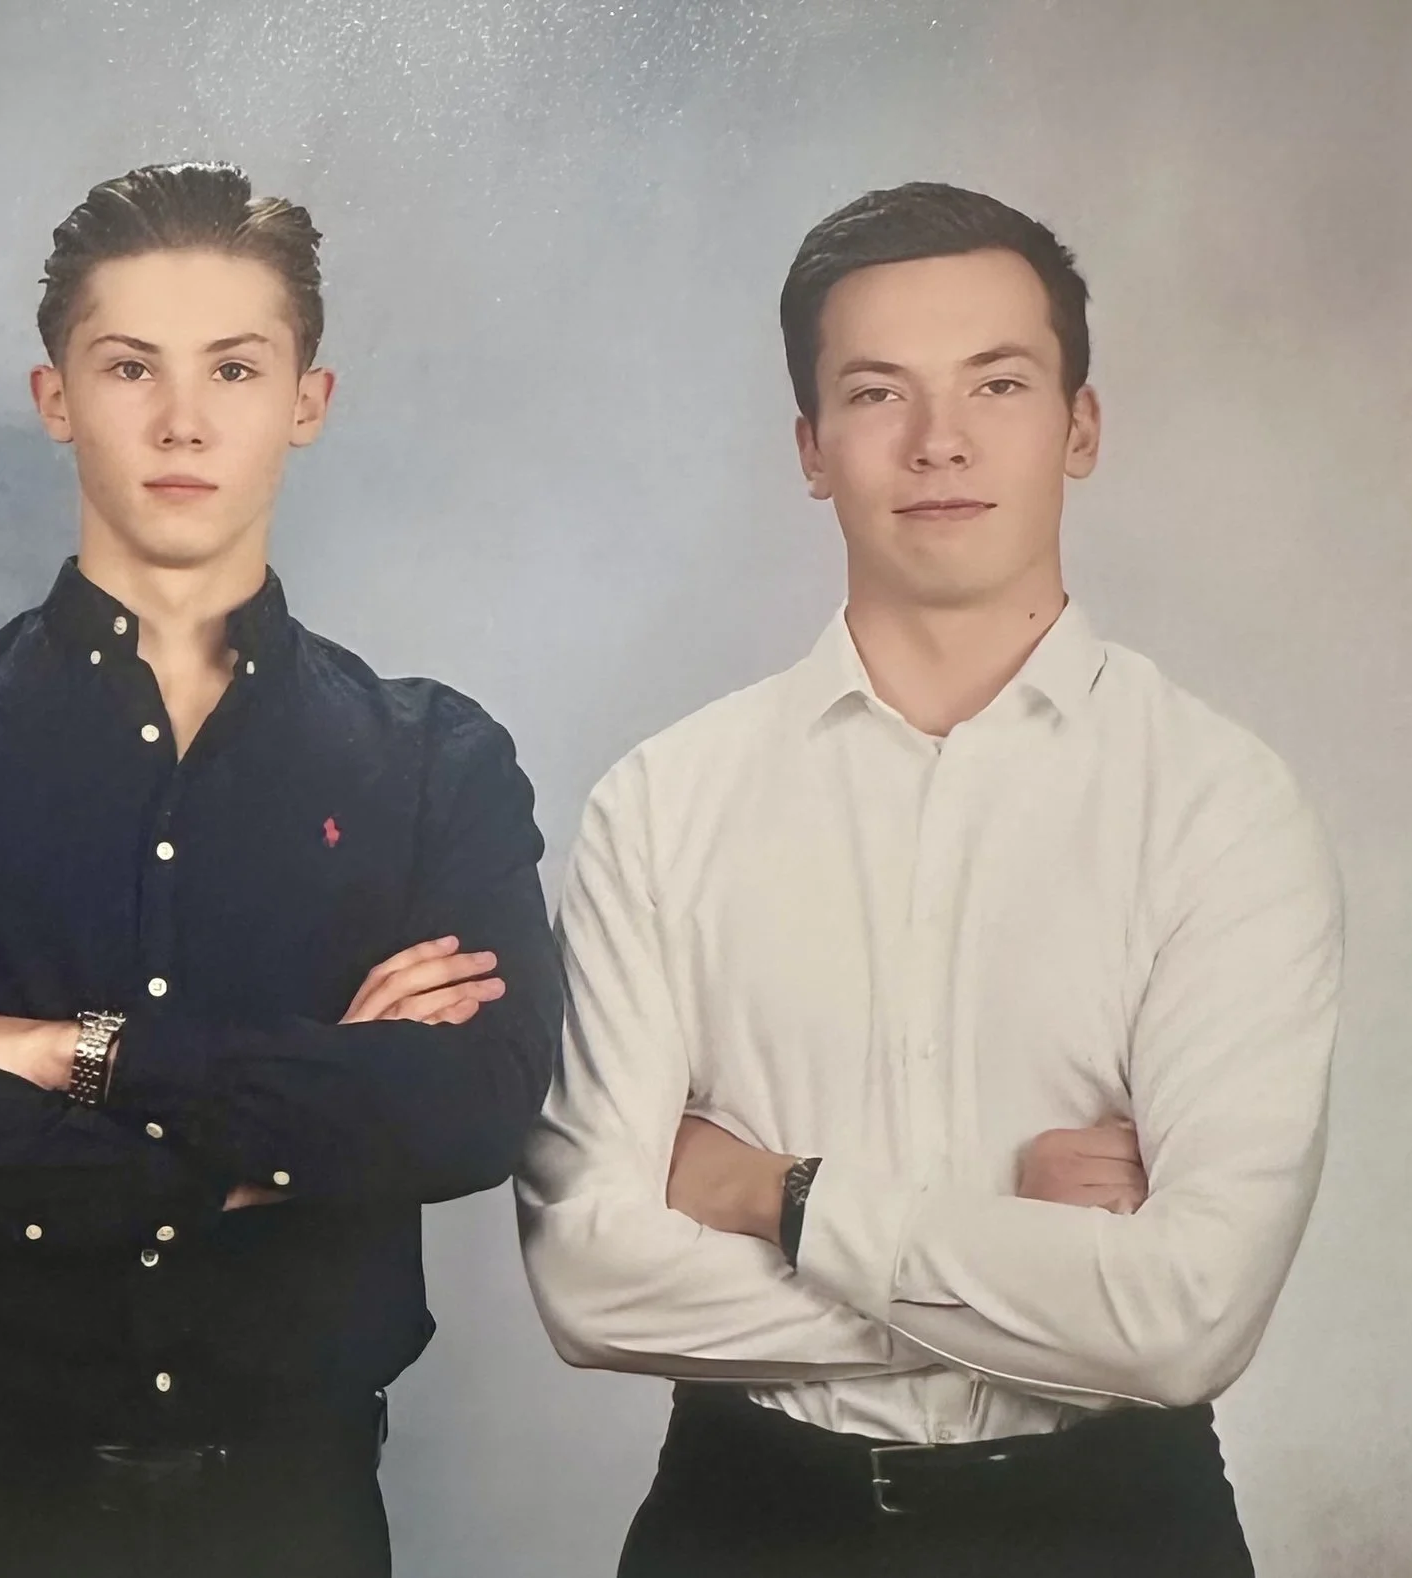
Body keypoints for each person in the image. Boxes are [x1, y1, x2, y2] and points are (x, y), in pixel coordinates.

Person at [516, 181, 1342, 1577]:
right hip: (746, 1528)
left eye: (999, 384)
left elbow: (1193, 1317)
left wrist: (776, 1195)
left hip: (1116, 1533)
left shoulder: (1219, 805)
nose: (940, 442)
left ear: (1081, 426)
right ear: (811, 447)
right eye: (879, 392)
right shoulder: (663, 803)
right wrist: (1031, 1263)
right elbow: (592, 1283)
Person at [0, 161, 560, 1578]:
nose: (184, 419)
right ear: (55, 396)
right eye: (130, 365)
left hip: (295, 1509)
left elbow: (474, 1108)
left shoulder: (437, 758)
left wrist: (76, 1052)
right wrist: (289, 1136)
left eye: (235, 368)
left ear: (306, 402)